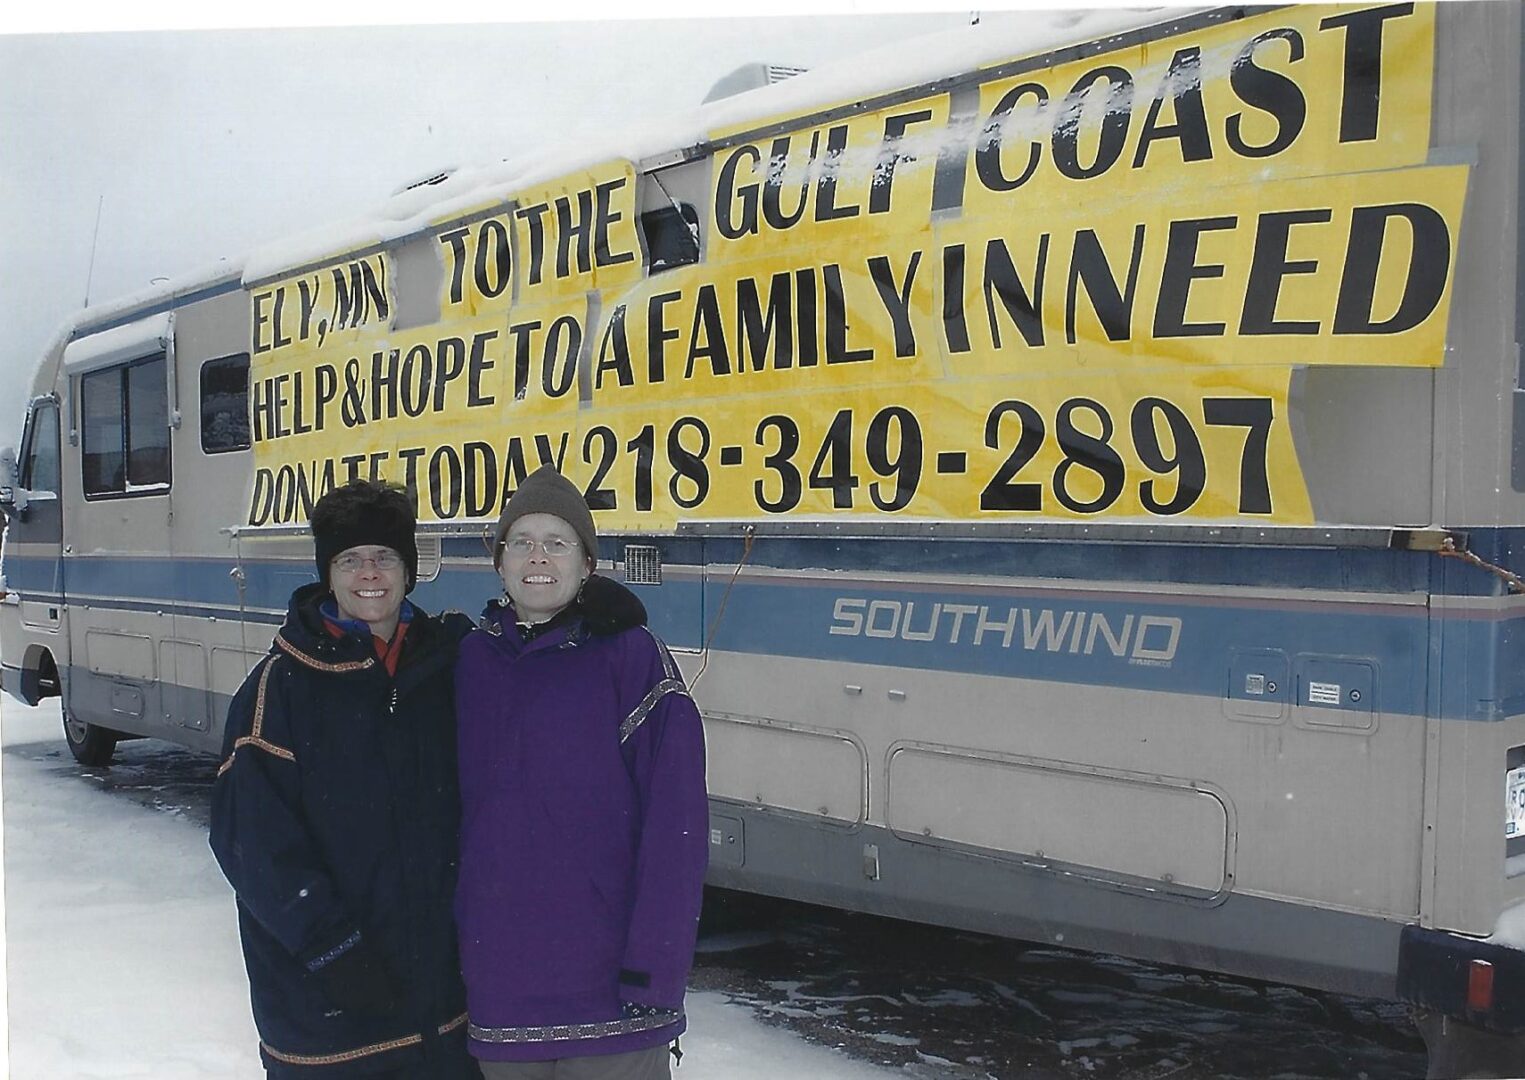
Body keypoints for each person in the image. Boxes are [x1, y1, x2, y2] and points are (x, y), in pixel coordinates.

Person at [209, 479, 482, 1079]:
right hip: (327, 1024)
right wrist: (334, 952)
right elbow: (253, 846)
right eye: (349, 558)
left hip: (442, 1014)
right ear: (326, 573)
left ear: (409, 570)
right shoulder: (278, 689)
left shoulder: (450, 669)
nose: (370, 572)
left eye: (385, 556)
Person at [455, 465, 709, 1080]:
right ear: (499, 562)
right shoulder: (468, 662)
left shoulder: (631, 657)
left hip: (612, 997)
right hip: (502, 992)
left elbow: (676, 825)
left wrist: (657, 964)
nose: (537, 557)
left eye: (558, 542)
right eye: (521, 541)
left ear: (588, 565)